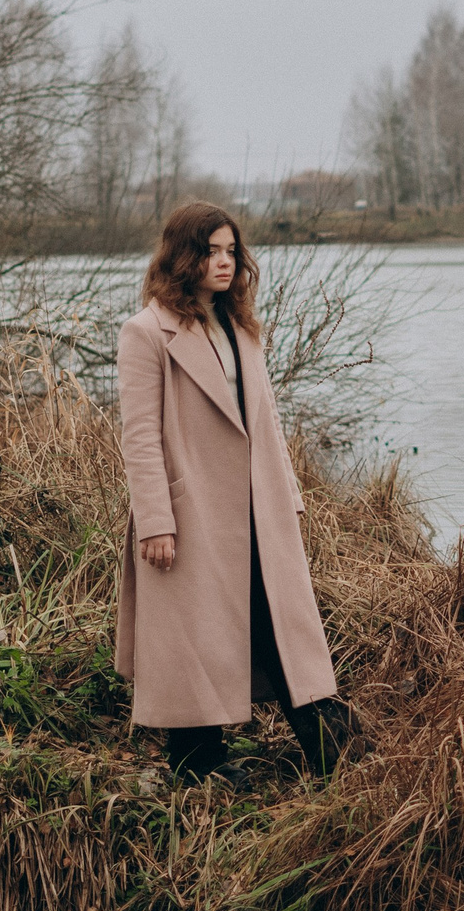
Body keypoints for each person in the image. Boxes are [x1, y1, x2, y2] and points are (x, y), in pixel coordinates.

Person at [115, 201, 351, 784]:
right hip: (190, 509)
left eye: (230, 251)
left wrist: (287, 497)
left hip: (256, 508)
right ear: (182, 256)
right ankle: (198, 765)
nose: (225, 263)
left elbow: (265, 422)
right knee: (192, 636)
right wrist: (156, 521)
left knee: (282, 628)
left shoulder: (239, 326)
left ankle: (335, 755)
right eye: (211, 251)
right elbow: (140, 436)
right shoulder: (146, 333)